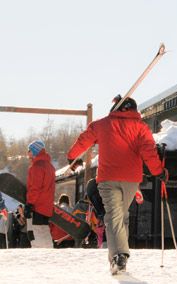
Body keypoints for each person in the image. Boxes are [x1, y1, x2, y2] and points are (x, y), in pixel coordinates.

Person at [68, 96, 165, 274]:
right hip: (131, 180)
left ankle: (119, 257)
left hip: (108, 178)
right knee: (122, 216)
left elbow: (84, 139)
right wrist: (158, 171)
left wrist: (72, 157)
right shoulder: (141, 127)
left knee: (113, 217)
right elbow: (149, 151)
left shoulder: (102, 124)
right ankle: (121, 257)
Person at [25, 140, 55, 248]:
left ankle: (41, 257)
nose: (28, 153)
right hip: (46, 206)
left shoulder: (37, 167)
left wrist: (29, 204)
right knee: (44, 231)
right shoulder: (50, 167)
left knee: (35, 234)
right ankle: (48, 254)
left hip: (37, 206)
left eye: (29, 150)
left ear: (35, 151)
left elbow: (35, 188)